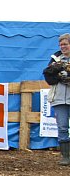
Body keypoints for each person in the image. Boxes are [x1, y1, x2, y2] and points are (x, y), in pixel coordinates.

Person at [43, 33, 70, 166]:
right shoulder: (55, 59)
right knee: (62, 127)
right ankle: (66, 156)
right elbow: (48, 78)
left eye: (65, 44)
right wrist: (58, 76)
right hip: (59, 98)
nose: (63, 47)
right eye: (61, 44)